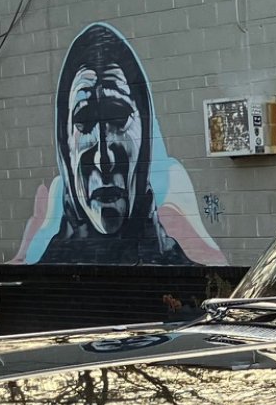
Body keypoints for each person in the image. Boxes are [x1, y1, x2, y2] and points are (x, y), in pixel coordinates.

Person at [15, 22, 227, 265]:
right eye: (83, 121)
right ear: (65, 149)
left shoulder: (183, 279)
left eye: (118, 117)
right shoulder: (45, 286)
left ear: (145, 134)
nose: (103, 158)